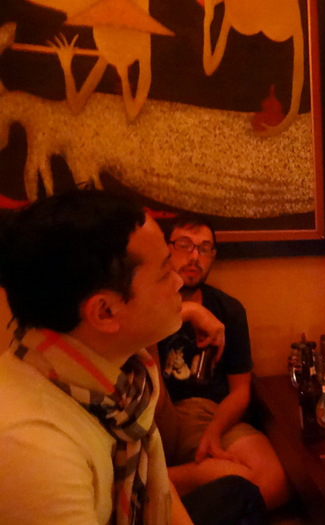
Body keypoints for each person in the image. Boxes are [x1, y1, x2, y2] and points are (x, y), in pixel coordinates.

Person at [0, 190, 265, 525]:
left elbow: (160, 491)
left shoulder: (125, 381)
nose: (178, 281)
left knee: (240, 494)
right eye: (165, 272)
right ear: (105, 312)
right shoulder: (34, 450)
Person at [154, 214, 288, 510]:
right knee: (239, 484)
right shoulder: (147, 306)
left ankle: (160, 483)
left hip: (214, 413)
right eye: (184, 245)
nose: (194, 257)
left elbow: (240, 390)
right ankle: (162, 483)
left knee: (273, 483)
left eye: (204, 249)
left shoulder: (228, 309)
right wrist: (190, 311)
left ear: (212, 256)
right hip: (163, 415)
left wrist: (214, 432)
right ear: (165, 249)